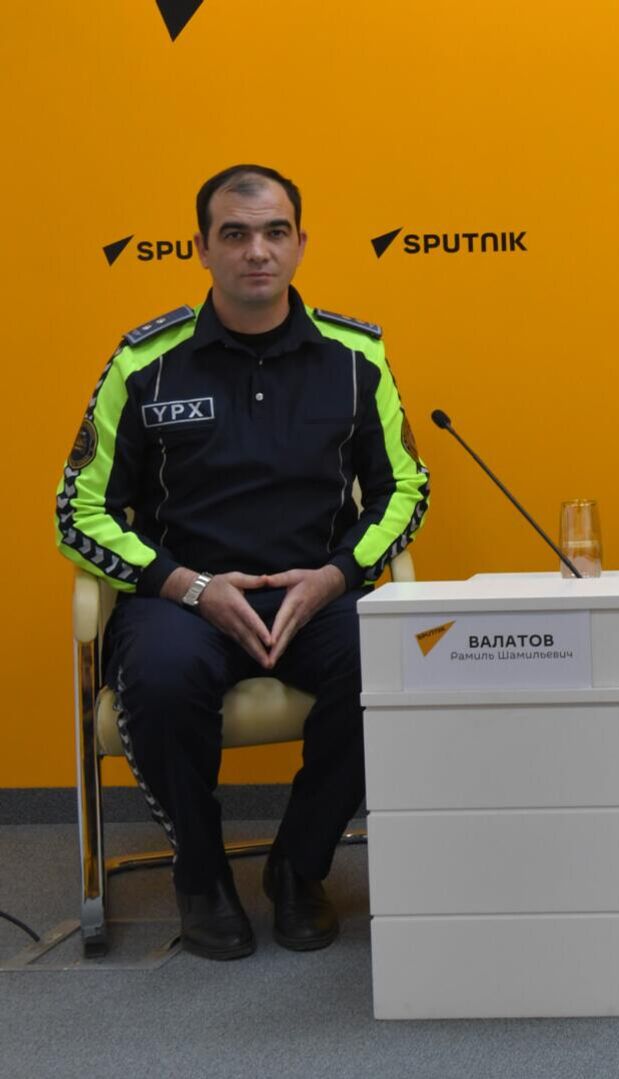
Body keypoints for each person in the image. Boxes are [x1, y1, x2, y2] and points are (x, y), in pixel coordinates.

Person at [56, 164, 430, 959]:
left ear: (300, 243)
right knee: (160, 680)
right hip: (182, 600)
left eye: (274, 233)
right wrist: (186, 584)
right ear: (201, 248)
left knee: (394, 662)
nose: (256, 251)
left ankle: (299, 866)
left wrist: (335, 575)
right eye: (235, 234)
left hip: (316, 593)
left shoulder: (355, 357)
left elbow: (405, 489)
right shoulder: (144, 363)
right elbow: (78, 510)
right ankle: (201, 876)